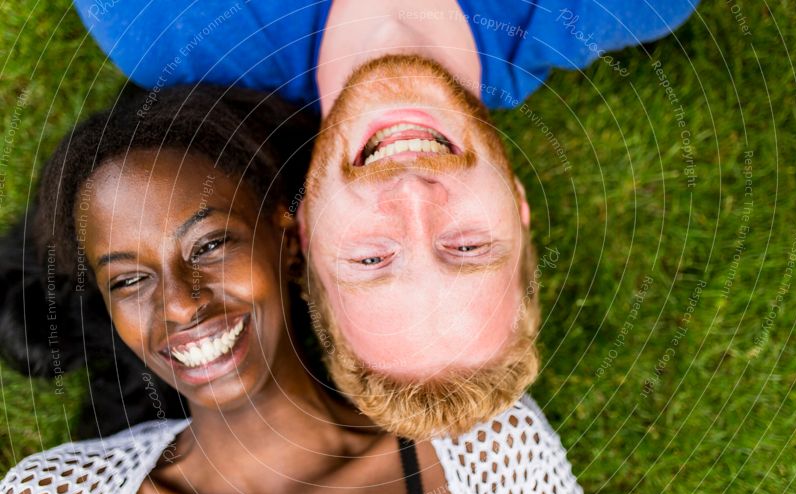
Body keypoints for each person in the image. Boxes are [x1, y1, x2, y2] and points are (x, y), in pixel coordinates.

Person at [72, 0, 701, 437]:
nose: (412, 198)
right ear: (516, 203)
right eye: (467, 247)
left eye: (373, 258)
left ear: (306, 232)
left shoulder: (163, 25)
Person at [0, 85, 600, 494]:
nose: (181, 304)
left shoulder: (486, 452)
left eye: (210, 245)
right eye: (129, 280)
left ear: (289, 243)